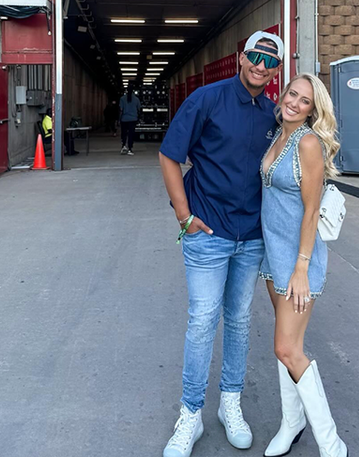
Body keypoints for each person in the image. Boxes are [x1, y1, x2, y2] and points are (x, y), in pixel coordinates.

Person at [157, 31, 284, 457]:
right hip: (207, 234)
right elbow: (170, 154)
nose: (261, 66)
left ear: (277, 69)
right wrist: (184, 216)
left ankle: (231, 402)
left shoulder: (273, 114)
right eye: (255, 56)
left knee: (240, 321)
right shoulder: (207, 99)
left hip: (251, 238)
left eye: (270, 61)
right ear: (240, 57)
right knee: (203, 320)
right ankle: (190, 414)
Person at [259, 74, 346, 457]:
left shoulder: (308, 143)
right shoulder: (277, 136)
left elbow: (311, 210)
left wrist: (301, 267)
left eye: (305, 101)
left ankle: (332, 444)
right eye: (292, 93)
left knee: (287, 348)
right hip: (272, 255)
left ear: (314, 110)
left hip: (298, 261)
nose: (294, 102)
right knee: (287, 346)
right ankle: (291, 422)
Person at [118, 86, 141, 155]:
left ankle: (123, 146)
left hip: (124, 119)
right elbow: (139, 108)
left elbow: (121, 110)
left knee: (124, 133)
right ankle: (130, 148)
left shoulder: (122, 99)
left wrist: (119, 119)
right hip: (133, 119)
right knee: (131, 134)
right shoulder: (136, 99)